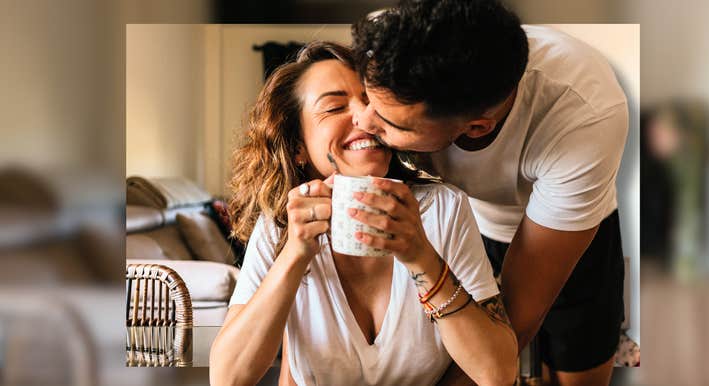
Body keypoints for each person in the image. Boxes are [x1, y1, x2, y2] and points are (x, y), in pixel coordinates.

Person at [209, 41, 518, 386]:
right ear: (298, 146)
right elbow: (228, 378)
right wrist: (294, 254)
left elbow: (498, 373)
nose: (365, 118)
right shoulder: (281, 224)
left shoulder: (442, 209)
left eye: (371, 101)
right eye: (334, 107)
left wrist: (421, 257)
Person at [351, 1, 629, 385]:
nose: (362, 121)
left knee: (576, 369)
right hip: (467, 225)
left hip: (569, 234)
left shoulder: (584, 115)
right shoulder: (392, 39)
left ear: (478, 127)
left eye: (388, 120)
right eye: (366, 99)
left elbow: (515, 323)